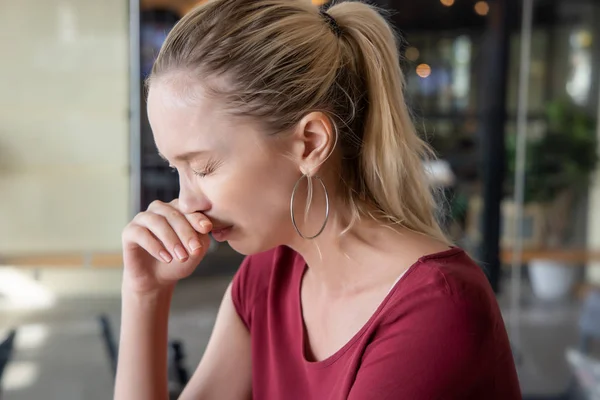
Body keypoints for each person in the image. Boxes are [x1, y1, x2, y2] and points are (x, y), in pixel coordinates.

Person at [115, 1, 522, 399]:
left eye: (202, 167)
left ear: (309, 143)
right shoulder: (267, 276)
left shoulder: (436, 309)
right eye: (175, 169)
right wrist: (144, 293)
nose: (185, 204)